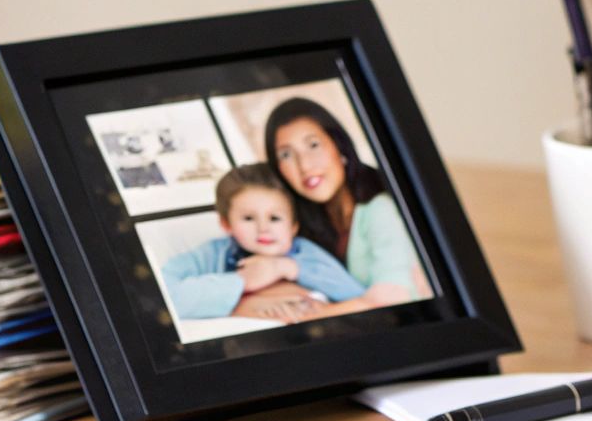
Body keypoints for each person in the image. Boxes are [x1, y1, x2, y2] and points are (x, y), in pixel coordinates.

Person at [263, 96, 431, 313]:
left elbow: (392, 297)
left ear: (339, 146)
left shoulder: (381, 208)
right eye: (286, 155)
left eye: (313, 145)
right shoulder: (305, 225)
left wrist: (313, 317)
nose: (304, 165)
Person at [159, 163, 365, 321]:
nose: (263, 228)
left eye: (275, 218)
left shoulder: (304, 253)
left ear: (293, 226)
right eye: (248, 218)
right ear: (226, 223)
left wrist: (286, 268)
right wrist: (243, 281)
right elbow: (163, 299)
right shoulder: (212, 254)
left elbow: (356, 295)